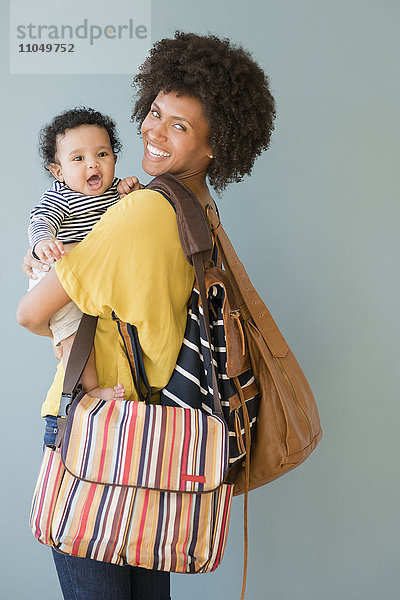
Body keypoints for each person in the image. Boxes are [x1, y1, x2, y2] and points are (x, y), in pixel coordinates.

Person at [18, 31, 276, 600]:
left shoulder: (140, 211)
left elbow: (30, 313)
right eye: (155, 112)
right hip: (155, 440)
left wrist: (44, 269)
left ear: (215, 147)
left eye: (179, 126)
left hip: (99, 427)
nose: (154, 132)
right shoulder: (198, 212)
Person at [27, 107, 141, 401]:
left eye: (102, 155)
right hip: (59, 270)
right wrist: (42, 243)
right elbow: (41, 220)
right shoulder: (61, 195)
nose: (93, 164)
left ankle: (61, 342)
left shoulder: (116, 192)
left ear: (114, 159)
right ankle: (91, 390)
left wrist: (133, 190)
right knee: (74, 332)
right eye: (78, 159)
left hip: (90, 275)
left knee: (82, 331)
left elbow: (130, 220)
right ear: (58, 171)